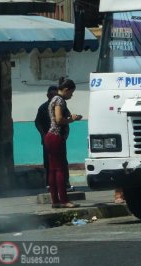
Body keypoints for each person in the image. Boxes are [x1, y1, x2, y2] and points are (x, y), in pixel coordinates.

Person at [44, 77, 82, 208]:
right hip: (56, 136)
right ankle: (64, 200)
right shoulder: (59, 100)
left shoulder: (53, 99)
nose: (71, 95)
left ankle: (55, 200)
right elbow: (59, 119)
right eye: (71, 92)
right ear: (66, 90)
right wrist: (72, 119)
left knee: (53, 169)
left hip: (51, 136)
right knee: (60, 169)